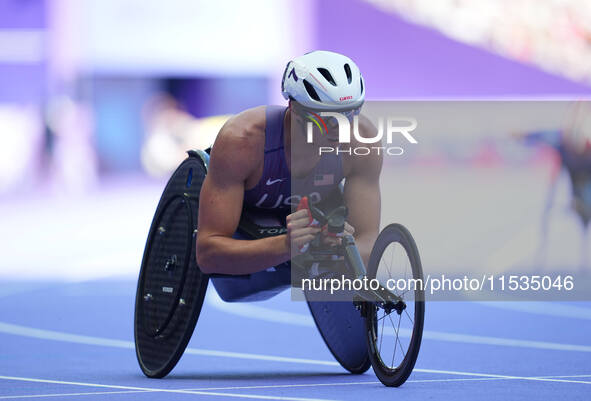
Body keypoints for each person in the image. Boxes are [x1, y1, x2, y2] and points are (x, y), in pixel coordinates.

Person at [196, 50, 382, 276]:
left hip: (312, 221)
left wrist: (342, 251)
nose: (341, 129)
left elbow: (368, 241)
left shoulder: (362, 142)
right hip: (245, 219)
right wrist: (285, 246)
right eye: (327, 118)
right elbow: (207, 255)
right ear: (294, 109)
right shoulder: (242, 141)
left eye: (350, 114)